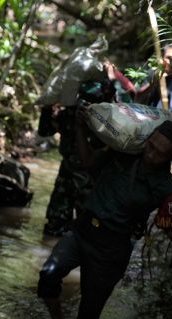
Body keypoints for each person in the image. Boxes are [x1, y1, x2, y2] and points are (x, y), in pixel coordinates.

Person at [37, 110, 172, 319]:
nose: (151, 155)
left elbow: (169, 225)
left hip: (111, 250)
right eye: (151, 146)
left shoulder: (167, 188)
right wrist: (80, 129)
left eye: (160, 153)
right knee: (49, 274)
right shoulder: (122, 154)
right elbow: (88, 162)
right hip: (81, 232)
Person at [39, 65, 134, 237]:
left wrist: (115, 81)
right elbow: (45, 131)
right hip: (67, 175)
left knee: (88, 232)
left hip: (94, 177)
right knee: (55, 227)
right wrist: (48, 106)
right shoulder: (68, 113)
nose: (85, 104)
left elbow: (129, 115)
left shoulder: (107, 118)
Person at [137, 41, 172, 121]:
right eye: (168, 58)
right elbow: (137, 97)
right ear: (162, 58)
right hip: (147, 117)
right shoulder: (152, 73)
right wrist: (153, 82)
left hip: (166, 121)